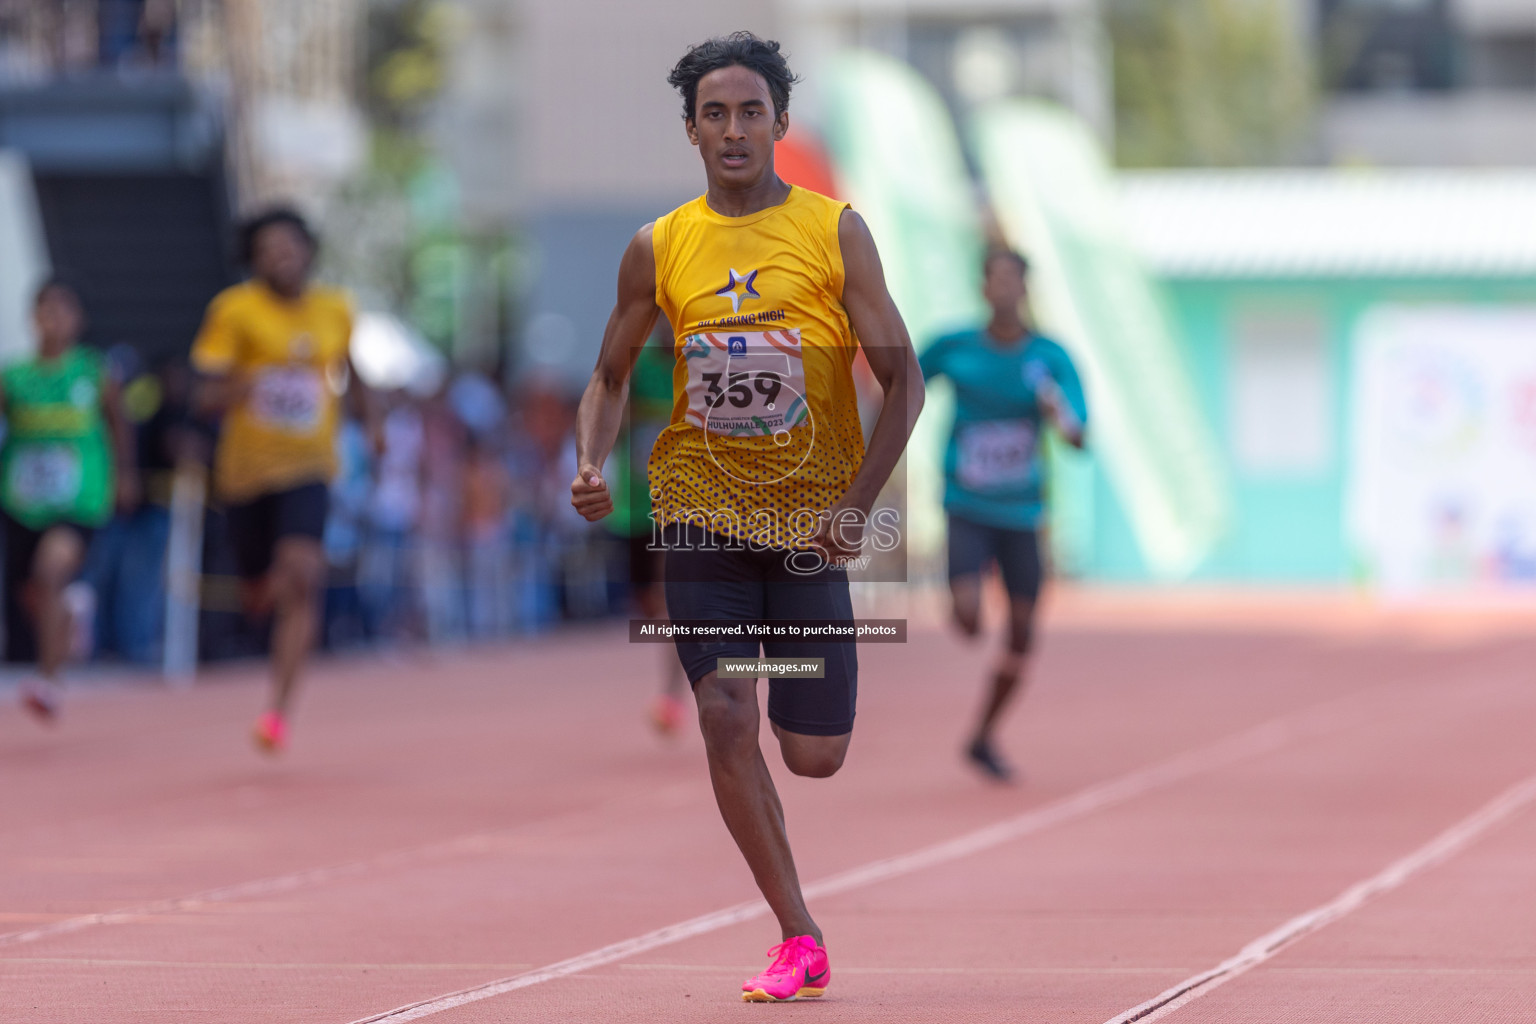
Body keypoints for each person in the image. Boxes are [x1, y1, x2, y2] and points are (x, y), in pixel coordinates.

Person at [571, 32, 922, 1003]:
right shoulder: (660, 244)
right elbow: (606, 377)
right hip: (697, 512)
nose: (733, 129)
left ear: (779, 123)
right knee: (726, 713)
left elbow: (904, 381)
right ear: (691, 130)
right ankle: (797, 933)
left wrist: (859, 506)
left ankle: (771, 656)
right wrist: (590, 459)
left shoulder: (833, 231)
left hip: (812, 523)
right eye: (714, 114)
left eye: (750, 112)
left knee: (814, 754)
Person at [191, 208, 366, 754]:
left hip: (309, 467)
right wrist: (241, 386)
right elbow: (203, 393)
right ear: (253, 258)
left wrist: (376, 425)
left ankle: (278, 712)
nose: (280, 256)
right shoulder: (234, 311)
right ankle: (258, 594)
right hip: (245, 476)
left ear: (308, 250)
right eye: (267, 248)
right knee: (259, 592)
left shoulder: (336, 309)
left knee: (303, 574)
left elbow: (353, 371)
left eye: (289, 245)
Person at [919, 249, 1087, 782]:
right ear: (983, 288)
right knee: (969, 619)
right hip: (968, 505)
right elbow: (900, 379)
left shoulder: (1050, 358)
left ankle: (984, 734)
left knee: (1021, 633)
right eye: (997, 280)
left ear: (1027, 289)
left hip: (1023, 513)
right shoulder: (956, 347)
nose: (1006, 290)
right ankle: (961, 602)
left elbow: (1080, 433)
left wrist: (1060, 416)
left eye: (1015, 281)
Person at [2, 279, 138, 719]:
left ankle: (49, 679)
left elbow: (119, 425)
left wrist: (125, 476)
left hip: (81, 496)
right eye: (46, 311)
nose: (55, 321)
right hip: (23, 500)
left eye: (64, 311)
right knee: (32, 592)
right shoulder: (14, 378)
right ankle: (68, 611)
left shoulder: (94, 372)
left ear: (78, 320)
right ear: (33, 318)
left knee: (51, 568)